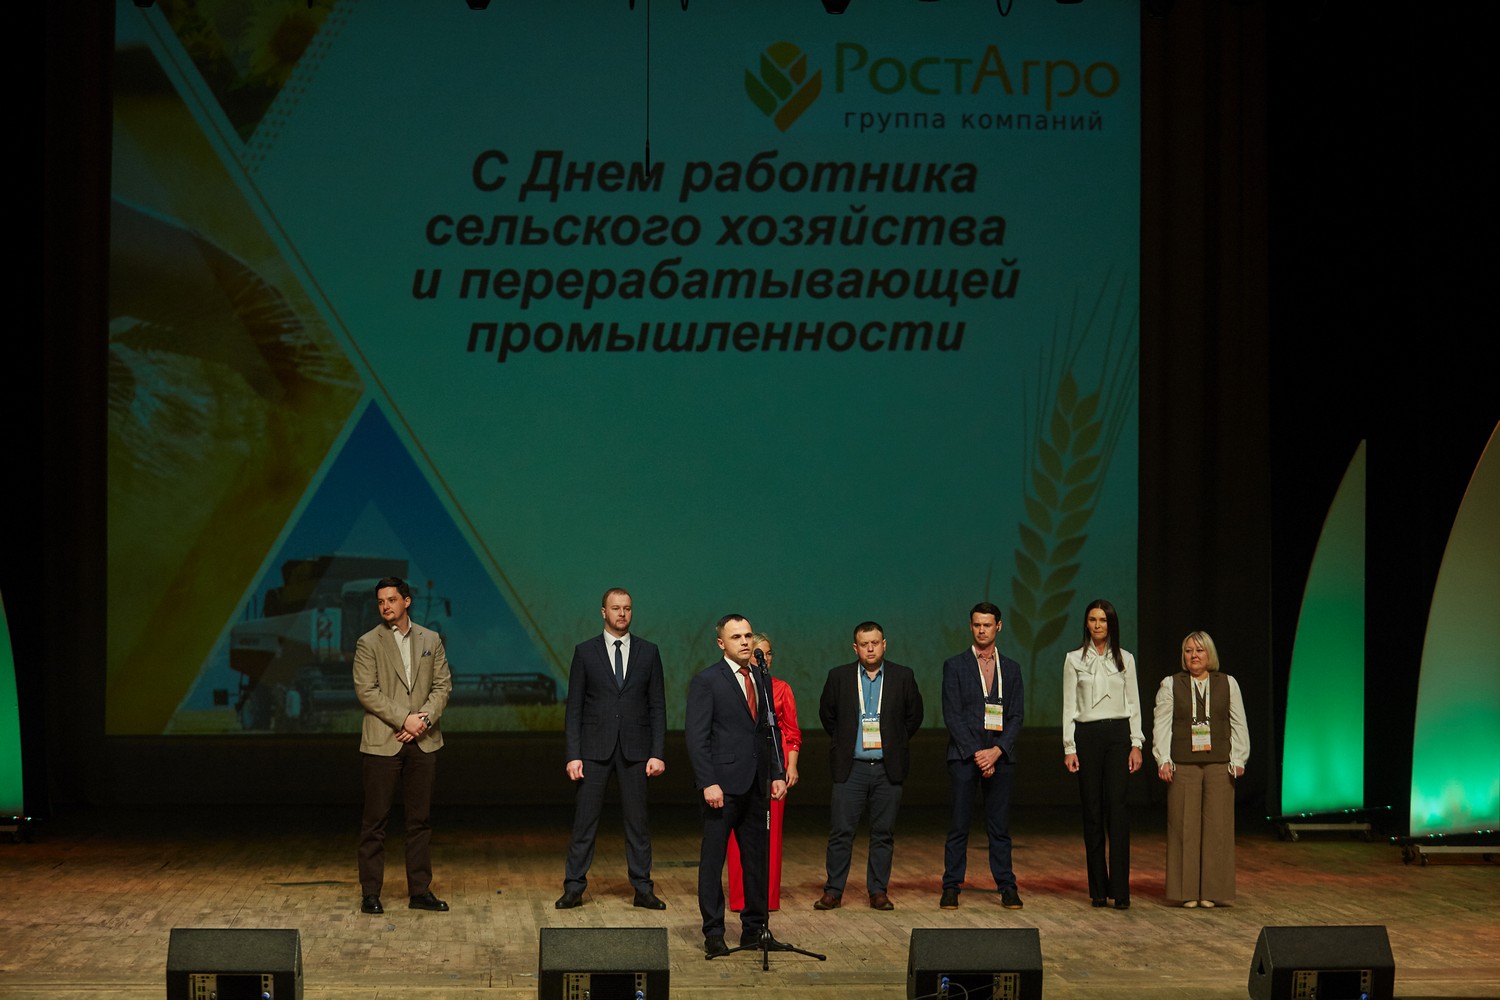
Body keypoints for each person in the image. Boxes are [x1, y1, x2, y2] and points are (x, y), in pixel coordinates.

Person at [556, 587, 667, 910]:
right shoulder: (585, 652)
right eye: (616, 608)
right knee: (584, 822)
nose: (622, 613)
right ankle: (574, 887)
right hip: (593, 750)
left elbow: (657, 706)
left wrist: (657, 752)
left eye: (627, 608)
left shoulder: (649, 652)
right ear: (603, 612)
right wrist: (573, 754)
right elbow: (574, 708)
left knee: (638, 824)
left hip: (636, 750)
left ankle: (643, 888)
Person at [685, 614, 788, 957]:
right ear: (721, 643)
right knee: (713, 861)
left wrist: (776, 772)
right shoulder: (707, 681)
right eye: (736, 637)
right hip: (722, 787)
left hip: (756, 784)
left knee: (756, 861)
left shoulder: (760, 677)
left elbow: (769, 729)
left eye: (747, 635)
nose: (745, 642)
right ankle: (714, 932)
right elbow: (697, 737)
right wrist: (708, 782)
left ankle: (754, 929)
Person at [353, 576, 453, 915]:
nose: (386, 606)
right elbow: (366, 691)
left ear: (406, 601)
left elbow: (443, 686)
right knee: (375, 822)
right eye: (381, 601)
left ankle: (420, 891)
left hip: (423, 741)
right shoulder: (368, 642)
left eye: (392, 599)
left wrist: (422, 720)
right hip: (384, 741)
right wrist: (404, 719)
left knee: (419, 821)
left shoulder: (431, 639)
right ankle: (370, 893)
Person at [815, 621, 924, 911]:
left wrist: (895, 742)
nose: (871, 648)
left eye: (875, 643)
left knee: (883, 833)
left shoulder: (903, 676)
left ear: (884, 644)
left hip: (888, 768)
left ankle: (878, 891)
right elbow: (828, 715)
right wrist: (846, 742)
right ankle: (833, 891)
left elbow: (914, 716)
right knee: (841, 832)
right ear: (856, 648)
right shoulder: (839, 677)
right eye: (864, 644)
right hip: (851, 768)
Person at [1152, 630, 1250, 908]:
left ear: (1209, 654)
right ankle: (1187, 891)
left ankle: (1212, 891)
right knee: (1184, 826)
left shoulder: (1228, 683)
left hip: (1219, 762)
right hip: (1183, 763)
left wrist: (1239, 757)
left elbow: (1238, 722)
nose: (1193, 656)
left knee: (1217, 827)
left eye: (1199, 650)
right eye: (1188, 651)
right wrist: (1163, 759)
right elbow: (1162, 724)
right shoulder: (1171, 684)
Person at [940, 602, 1025, 910]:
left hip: (1000, 756)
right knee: (959, 824)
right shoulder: (955, 665)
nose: (981, 630)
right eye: (976, 625)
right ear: (971, 626)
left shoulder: (1011, 668)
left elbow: (1016, 715)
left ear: (998, 626)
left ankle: (1007, 886)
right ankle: (951, 886)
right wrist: (979, 753)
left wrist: (997, 751)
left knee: (999, 826)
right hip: (965, 756)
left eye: (987, 625)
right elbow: (952, 714)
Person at [1061, 599, 1144, 910]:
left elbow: (1133, 703)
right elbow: (1069, 705)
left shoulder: (1125, 659)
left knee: (1117, 810)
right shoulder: (1073, 659)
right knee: (1092, 811)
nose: (1098, 625)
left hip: (1118, 735)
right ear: (1086, 623)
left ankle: (1121, 890)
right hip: (1087, 736)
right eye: (1093, 619)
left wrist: (1136, 743)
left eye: (1103, 620)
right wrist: (1069, 746)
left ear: (1111, 624)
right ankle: (1098, 888)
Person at [727, 632, 801, 912]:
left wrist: (790, 765)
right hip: (741, 769)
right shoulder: (736, 685)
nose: (764, 658)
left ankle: (767, 900)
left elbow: (791, 732)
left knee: (770, 837)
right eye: (759, 653)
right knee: (738, 837)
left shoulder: (780, 689)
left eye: (768, 654)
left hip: (773, 769)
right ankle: (740, 899)